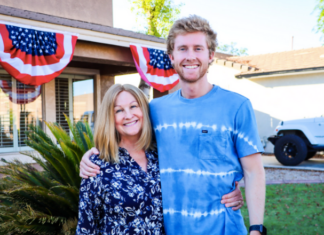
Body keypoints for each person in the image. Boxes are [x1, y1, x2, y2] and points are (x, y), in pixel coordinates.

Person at [80, 15, 265, 235]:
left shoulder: (237, 106)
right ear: (172, 56)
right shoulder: (156, 110)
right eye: (183, 49)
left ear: (211, 55)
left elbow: (254, 173)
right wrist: (92, 156)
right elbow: (129, 135)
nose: (190, 56)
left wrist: (256, 228)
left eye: (198, 48)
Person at [76, 84, 165, 234]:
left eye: (133, 106)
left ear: (143, 109)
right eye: (119, 110)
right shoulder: (97, 167)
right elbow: (86, 227)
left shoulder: (161, 155)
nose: (128, 115)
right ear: (110, 118)